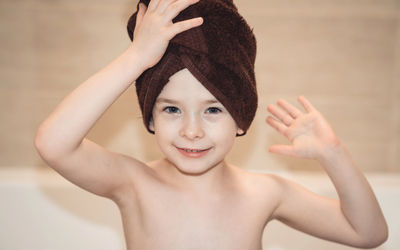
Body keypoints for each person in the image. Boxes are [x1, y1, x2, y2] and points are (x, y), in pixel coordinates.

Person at [34, 0, 388, 249]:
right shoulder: (135, 184)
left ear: (240, 117)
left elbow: (367, 233)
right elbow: (54, 144)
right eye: (171, 110)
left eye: (213, 110)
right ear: (150, 117)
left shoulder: (263, 193)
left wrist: (334, 154)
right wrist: (136, 59)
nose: (192, 131)